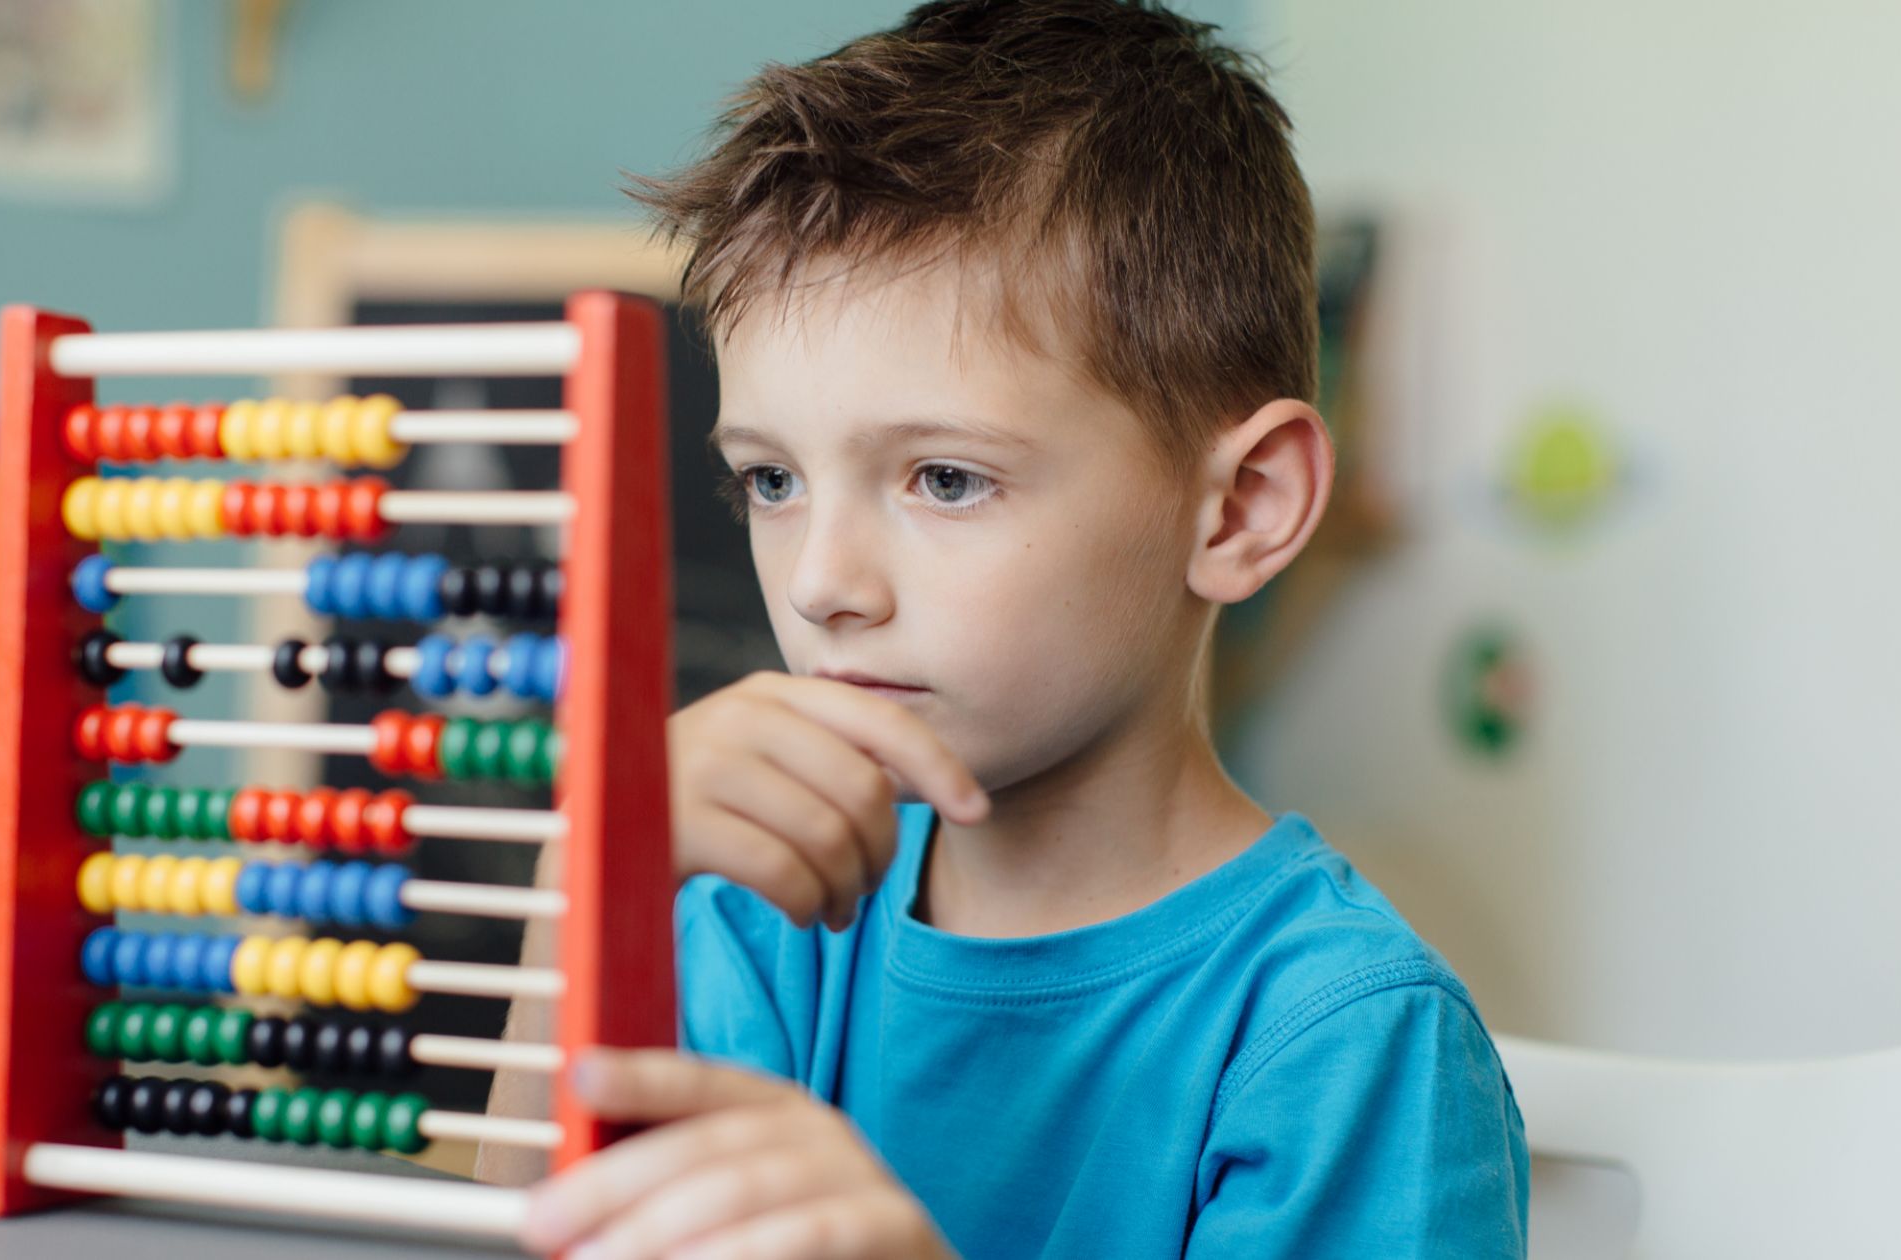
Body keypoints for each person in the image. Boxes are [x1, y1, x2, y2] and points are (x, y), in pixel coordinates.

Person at [484, 3, 1530, 1255]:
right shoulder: (756, 917)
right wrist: (586, 876)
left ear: (1241, 509)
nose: (821, 582)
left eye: (944, 479)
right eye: (772, 481)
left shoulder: (1345, 1040)